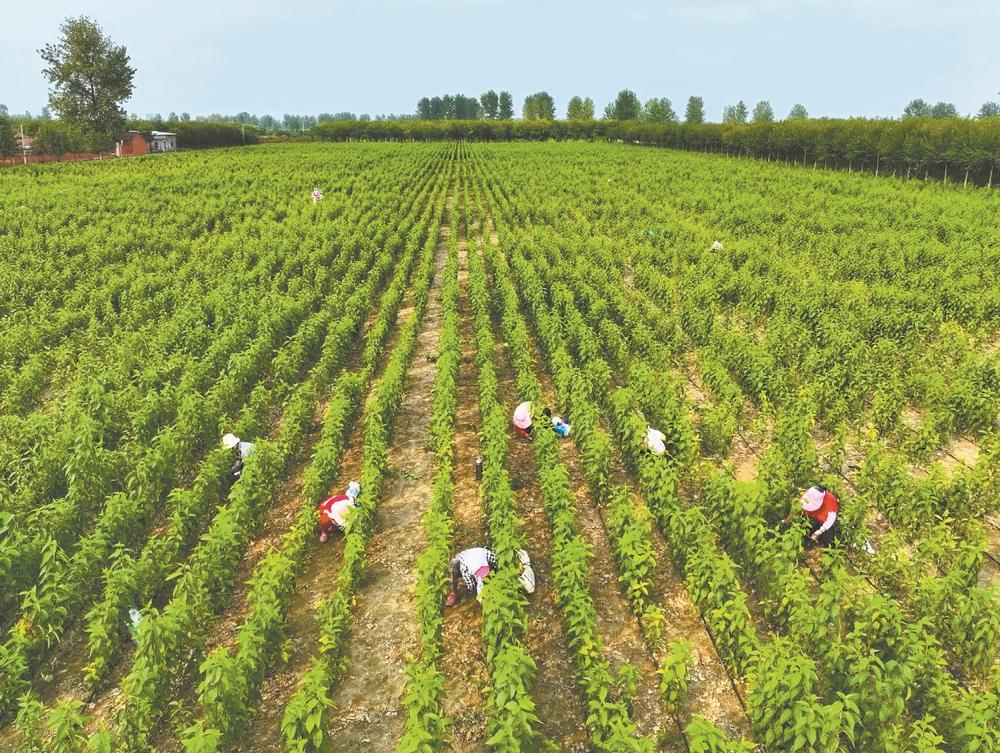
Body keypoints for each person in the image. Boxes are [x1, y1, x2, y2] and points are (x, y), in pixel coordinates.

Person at [446, 547, 535, 606]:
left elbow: (496, 564)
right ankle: (454, 593)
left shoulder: (488, 555)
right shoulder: (465, 570)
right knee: (453, 571)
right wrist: (480, 593)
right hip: (460, 560)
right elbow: (472, 587)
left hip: (476, 554)